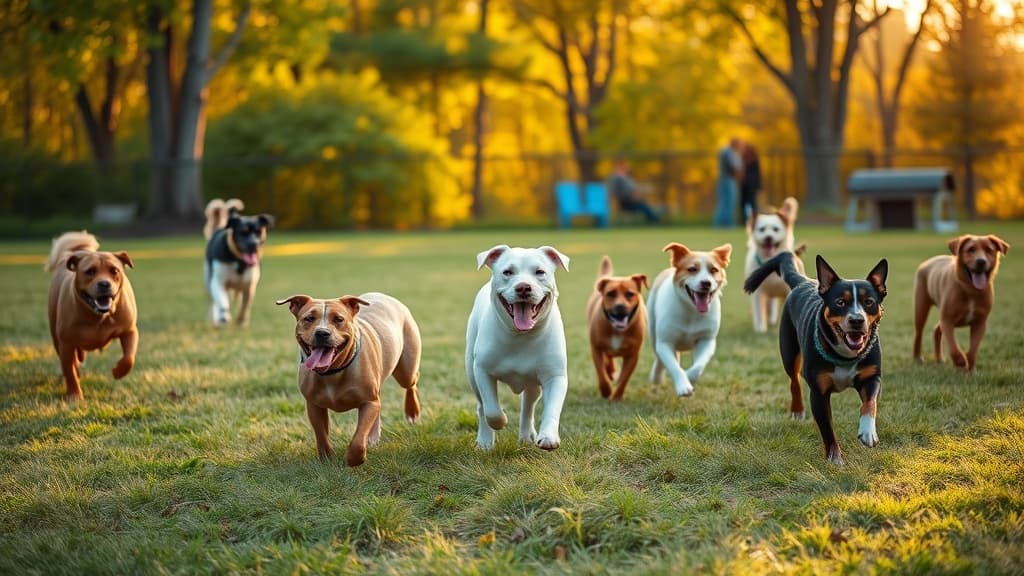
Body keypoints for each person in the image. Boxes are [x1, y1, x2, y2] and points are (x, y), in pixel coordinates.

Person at [608, 158, 659, 224]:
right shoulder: (616, 178)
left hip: (632, 200)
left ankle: (653, 220)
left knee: (645, 204)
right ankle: (653, 221)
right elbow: (617, 193)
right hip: (626, 202)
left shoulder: (626, 177)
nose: (627, 167)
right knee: (644, 206)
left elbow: (635, 189)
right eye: (624, 166)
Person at [713, 138, 743, 228]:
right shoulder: (728, 152)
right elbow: (734, 167)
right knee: (728, 203)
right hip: (728, 179)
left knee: (724, 203)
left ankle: (720, 225)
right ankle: (727, 224)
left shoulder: (725, 152)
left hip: (725, 179)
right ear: (734, 144)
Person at [739, 142, 762, 224]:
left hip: (750, 185)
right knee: (745, 203)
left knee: (751, 203)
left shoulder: (752, 159)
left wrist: (759, 186)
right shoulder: (743, 159)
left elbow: (757, 174)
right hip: (745, 185)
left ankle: (753, 220)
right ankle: (745, 220)